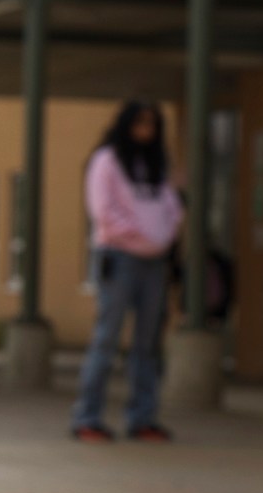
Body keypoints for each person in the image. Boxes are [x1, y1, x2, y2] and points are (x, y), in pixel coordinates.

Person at [71, 100, 184, 443]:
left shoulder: (155, 166)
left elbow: (172, 207)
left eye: (151, 125)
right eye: (139, 124)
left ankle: (142, 418)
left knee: (148, 343)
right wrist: (139, 236)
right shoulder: (106, 160)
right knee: (106, 339)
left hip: (154, 263)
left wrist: (162, 237)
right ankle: (87, 418)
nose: (145, 132)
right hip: (118, 258)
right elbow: (103, 211)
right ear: (125, 125)